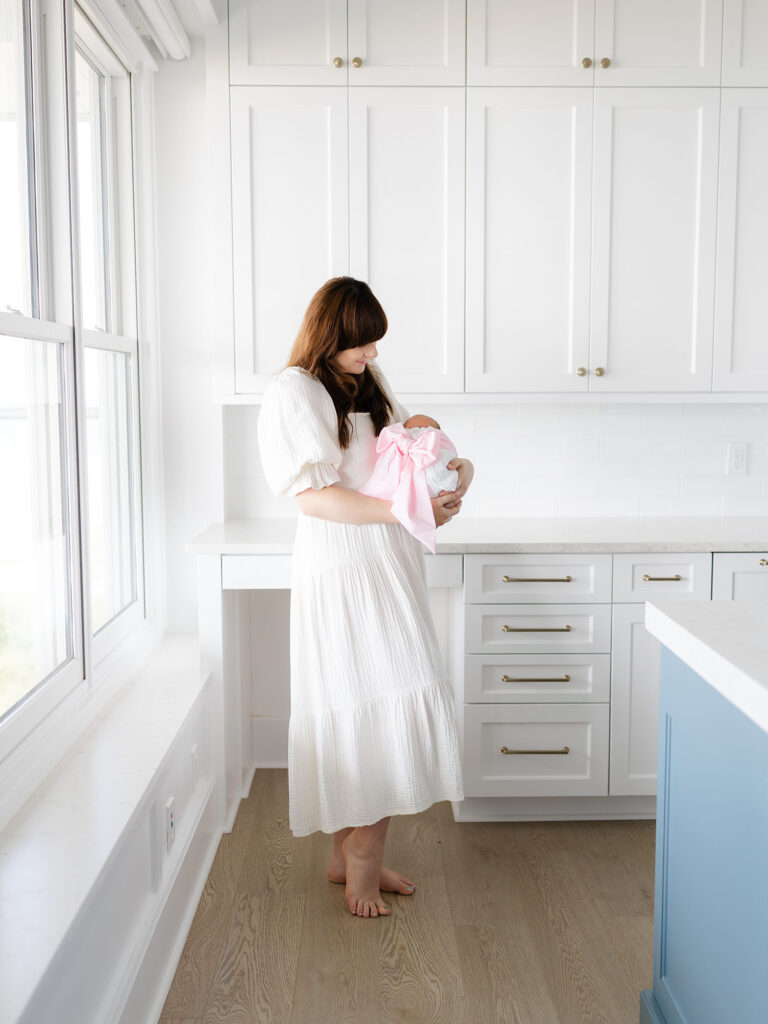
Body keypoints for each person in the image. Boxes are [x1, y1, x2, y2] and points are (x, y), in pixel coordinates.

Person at [257, 276, 474, 919]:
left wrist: (454, 482)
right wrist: (400, 512)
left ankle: (347, 854)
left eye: (375, 344)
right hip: (342, 563)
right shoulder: (291, 392)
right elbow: (312, 497)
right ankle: (361, 865)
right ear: (332, 333)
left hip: (389, 561)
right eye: (362, 343)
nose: (372, 355)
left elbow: (411, 453)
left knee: (369, 700)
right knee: (361, 702)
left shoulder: (368, 386)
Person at [358, 413, 460, 553]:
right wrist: (417, 511)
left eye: (427, 429)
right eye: (414, 429)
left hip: (404, 547)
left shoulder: (391, 406)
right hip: (372, 538)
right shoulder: (396, 439)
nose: (418, 432)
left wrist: (466, 468)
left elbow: (450, 455)